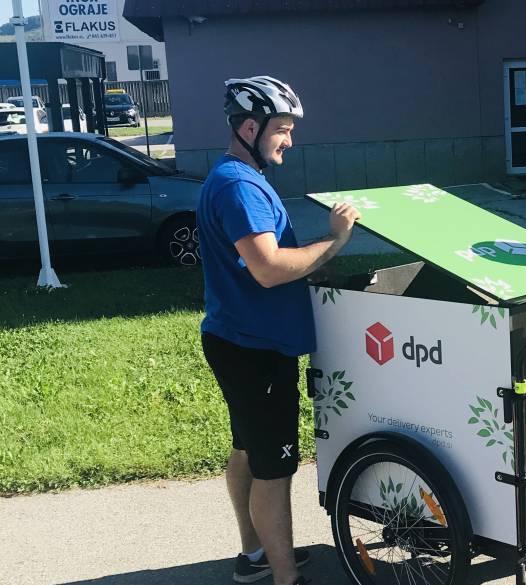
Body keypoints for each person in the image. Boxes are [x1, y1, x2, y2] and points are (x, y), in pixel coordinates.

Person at [198, 75, 361, 585]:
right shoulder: (239, 186)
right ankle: (285, 577)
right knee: (274, 469)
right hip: (256, 348)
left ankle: (254, 555)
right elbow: (268, 269)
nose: (289, 140)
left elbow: (263, 262)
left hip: (237, 338)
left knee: (248, 451)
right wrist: (334, 242)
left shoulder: (234, 175)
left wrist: (311, 267)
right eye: (282, 129)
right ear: (250, 128)